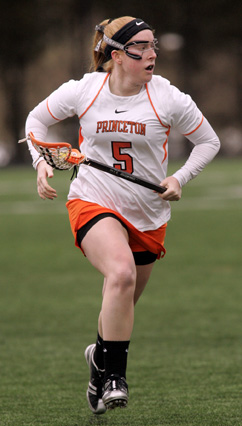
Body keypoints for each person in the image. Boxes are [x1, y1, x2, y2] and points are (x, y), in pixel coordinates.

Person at [25, 16, 220, 415]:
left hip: (149, 213)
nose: (151, 55)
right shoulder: (84, 90)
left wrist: (180, 178)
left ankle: (100, 357)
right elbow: (36, 121)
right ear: (116, 56)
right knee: (121, 274)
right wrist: (40, 161)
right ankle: (116, 376)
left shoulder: (168, 97)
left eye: (154, 48)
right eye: (141, 49)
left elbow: (208, 141)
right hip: (93, 200)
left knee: (123, 298)